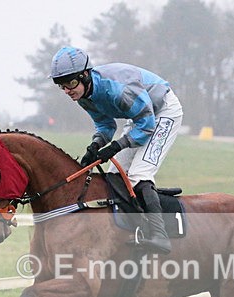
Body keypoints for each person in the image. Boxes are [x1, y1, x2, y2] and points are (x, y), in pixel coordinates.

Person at [49, 46, 183, 254]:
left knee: (139, 173)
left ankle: (160, 235)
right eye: (62, 86)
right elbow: (106, 126)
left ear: (85, 75)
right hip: (139, 117)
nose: (68, 91)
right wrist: (94, 146)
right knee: (115, 175)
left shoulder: (117, 90)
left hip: (163, 112)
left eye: (72, 83)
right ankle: (132, 228)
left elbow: (147, 125)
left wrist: (115, 146)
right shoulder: (83, 96)